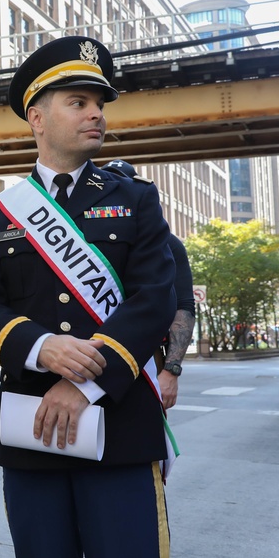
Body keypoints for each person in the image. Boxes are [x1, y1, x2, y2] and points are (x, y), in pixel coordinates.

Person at [0, 36, 177, 558]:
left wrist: (84, 382)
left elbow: (155, 298)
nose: (96, 114)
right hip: (33, 432)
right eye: (78, 102)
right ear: (37, 117)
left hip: (121, 430)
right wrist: (40, 347)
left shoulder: (136, 200)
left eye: (99, 104)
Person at [101, 160, 196, 409]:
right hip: (86, 358)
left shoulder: (168, 243)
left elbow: (184, 307)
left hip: (144, 361)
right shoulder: (81, 237)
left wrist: (171, 371)